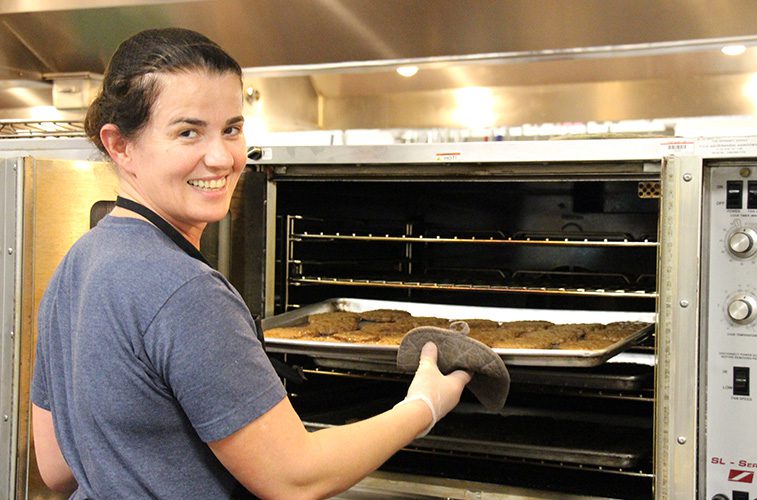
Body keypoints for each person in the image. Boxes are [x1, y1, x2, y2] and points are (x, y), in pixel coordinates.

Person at [30, 27, 470, 499]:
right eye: (188, 131)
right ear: (120, 146)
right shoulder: (186, 291)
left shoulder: (79, 262)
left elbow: (56, 467)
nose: (221, 157)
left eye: (232, 129)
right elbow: (295, 478)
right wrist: (424, 404)